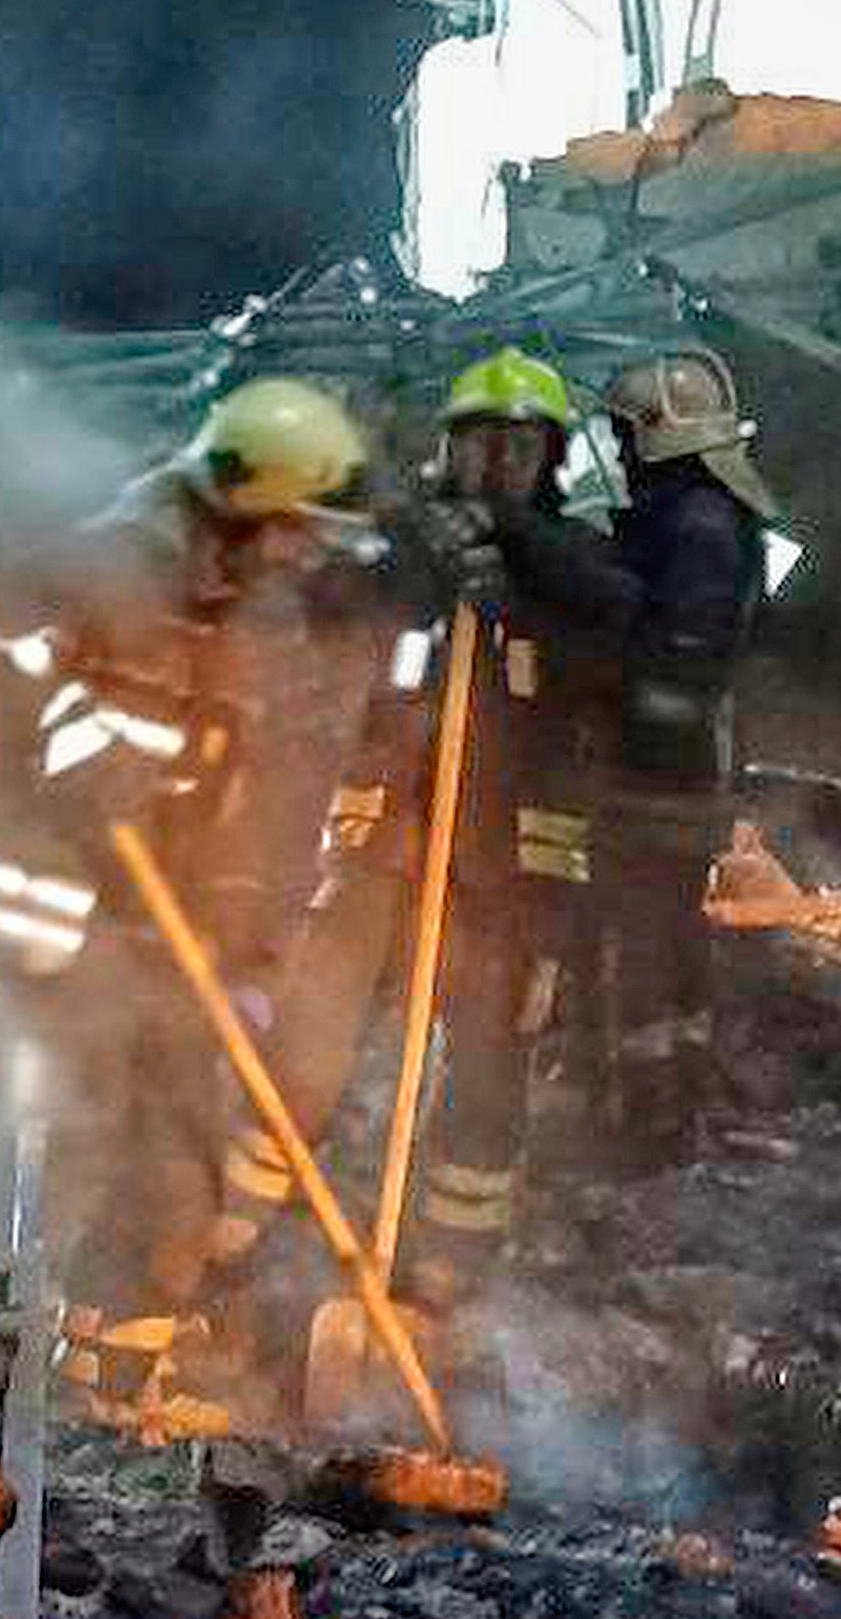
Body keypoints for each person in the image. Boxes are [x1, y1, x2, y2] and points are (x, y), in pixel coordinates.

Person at [209, 347, 630, 1323]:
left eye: (520, 448)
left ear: (551, 459)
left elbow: (617, 623)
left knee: (486, 1062)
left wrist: (515, 557)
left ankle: (447, 1268)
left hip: (509, 867)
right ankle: (232, 1220)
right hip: (382, 847)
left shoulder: (580, 563)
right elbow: (328, 602)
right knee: (312, 1033)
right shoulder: (400, 549)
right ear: (451, 448)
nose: (497, 464)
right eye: (481, 444)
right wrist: (422, 557)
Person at [0, 374, 377, 1379]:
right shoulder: (106, 567)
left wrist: (246, 949)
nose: (305, 555)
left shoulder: (243, 607)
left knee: (181, 1167)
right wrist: (62, 739)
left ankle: (109, 1386)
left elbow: (248, 792)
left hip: (165, 928)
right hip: (60, 917)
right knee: (67, 1149)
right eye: (298, 531)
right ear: (244, 504)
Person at [585, 345, 778, 1165]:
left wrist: (595, 662)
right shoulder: (712, 515)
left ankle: (648, 1124)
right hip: (687, 773)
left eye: (625, 436)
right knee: (672, 936)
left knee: (641, 941)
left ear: (657, 435)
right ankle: (677, 1104)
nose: (621, 452)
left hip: (658, 777)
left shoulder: (695, 527)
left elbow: (678, 660)